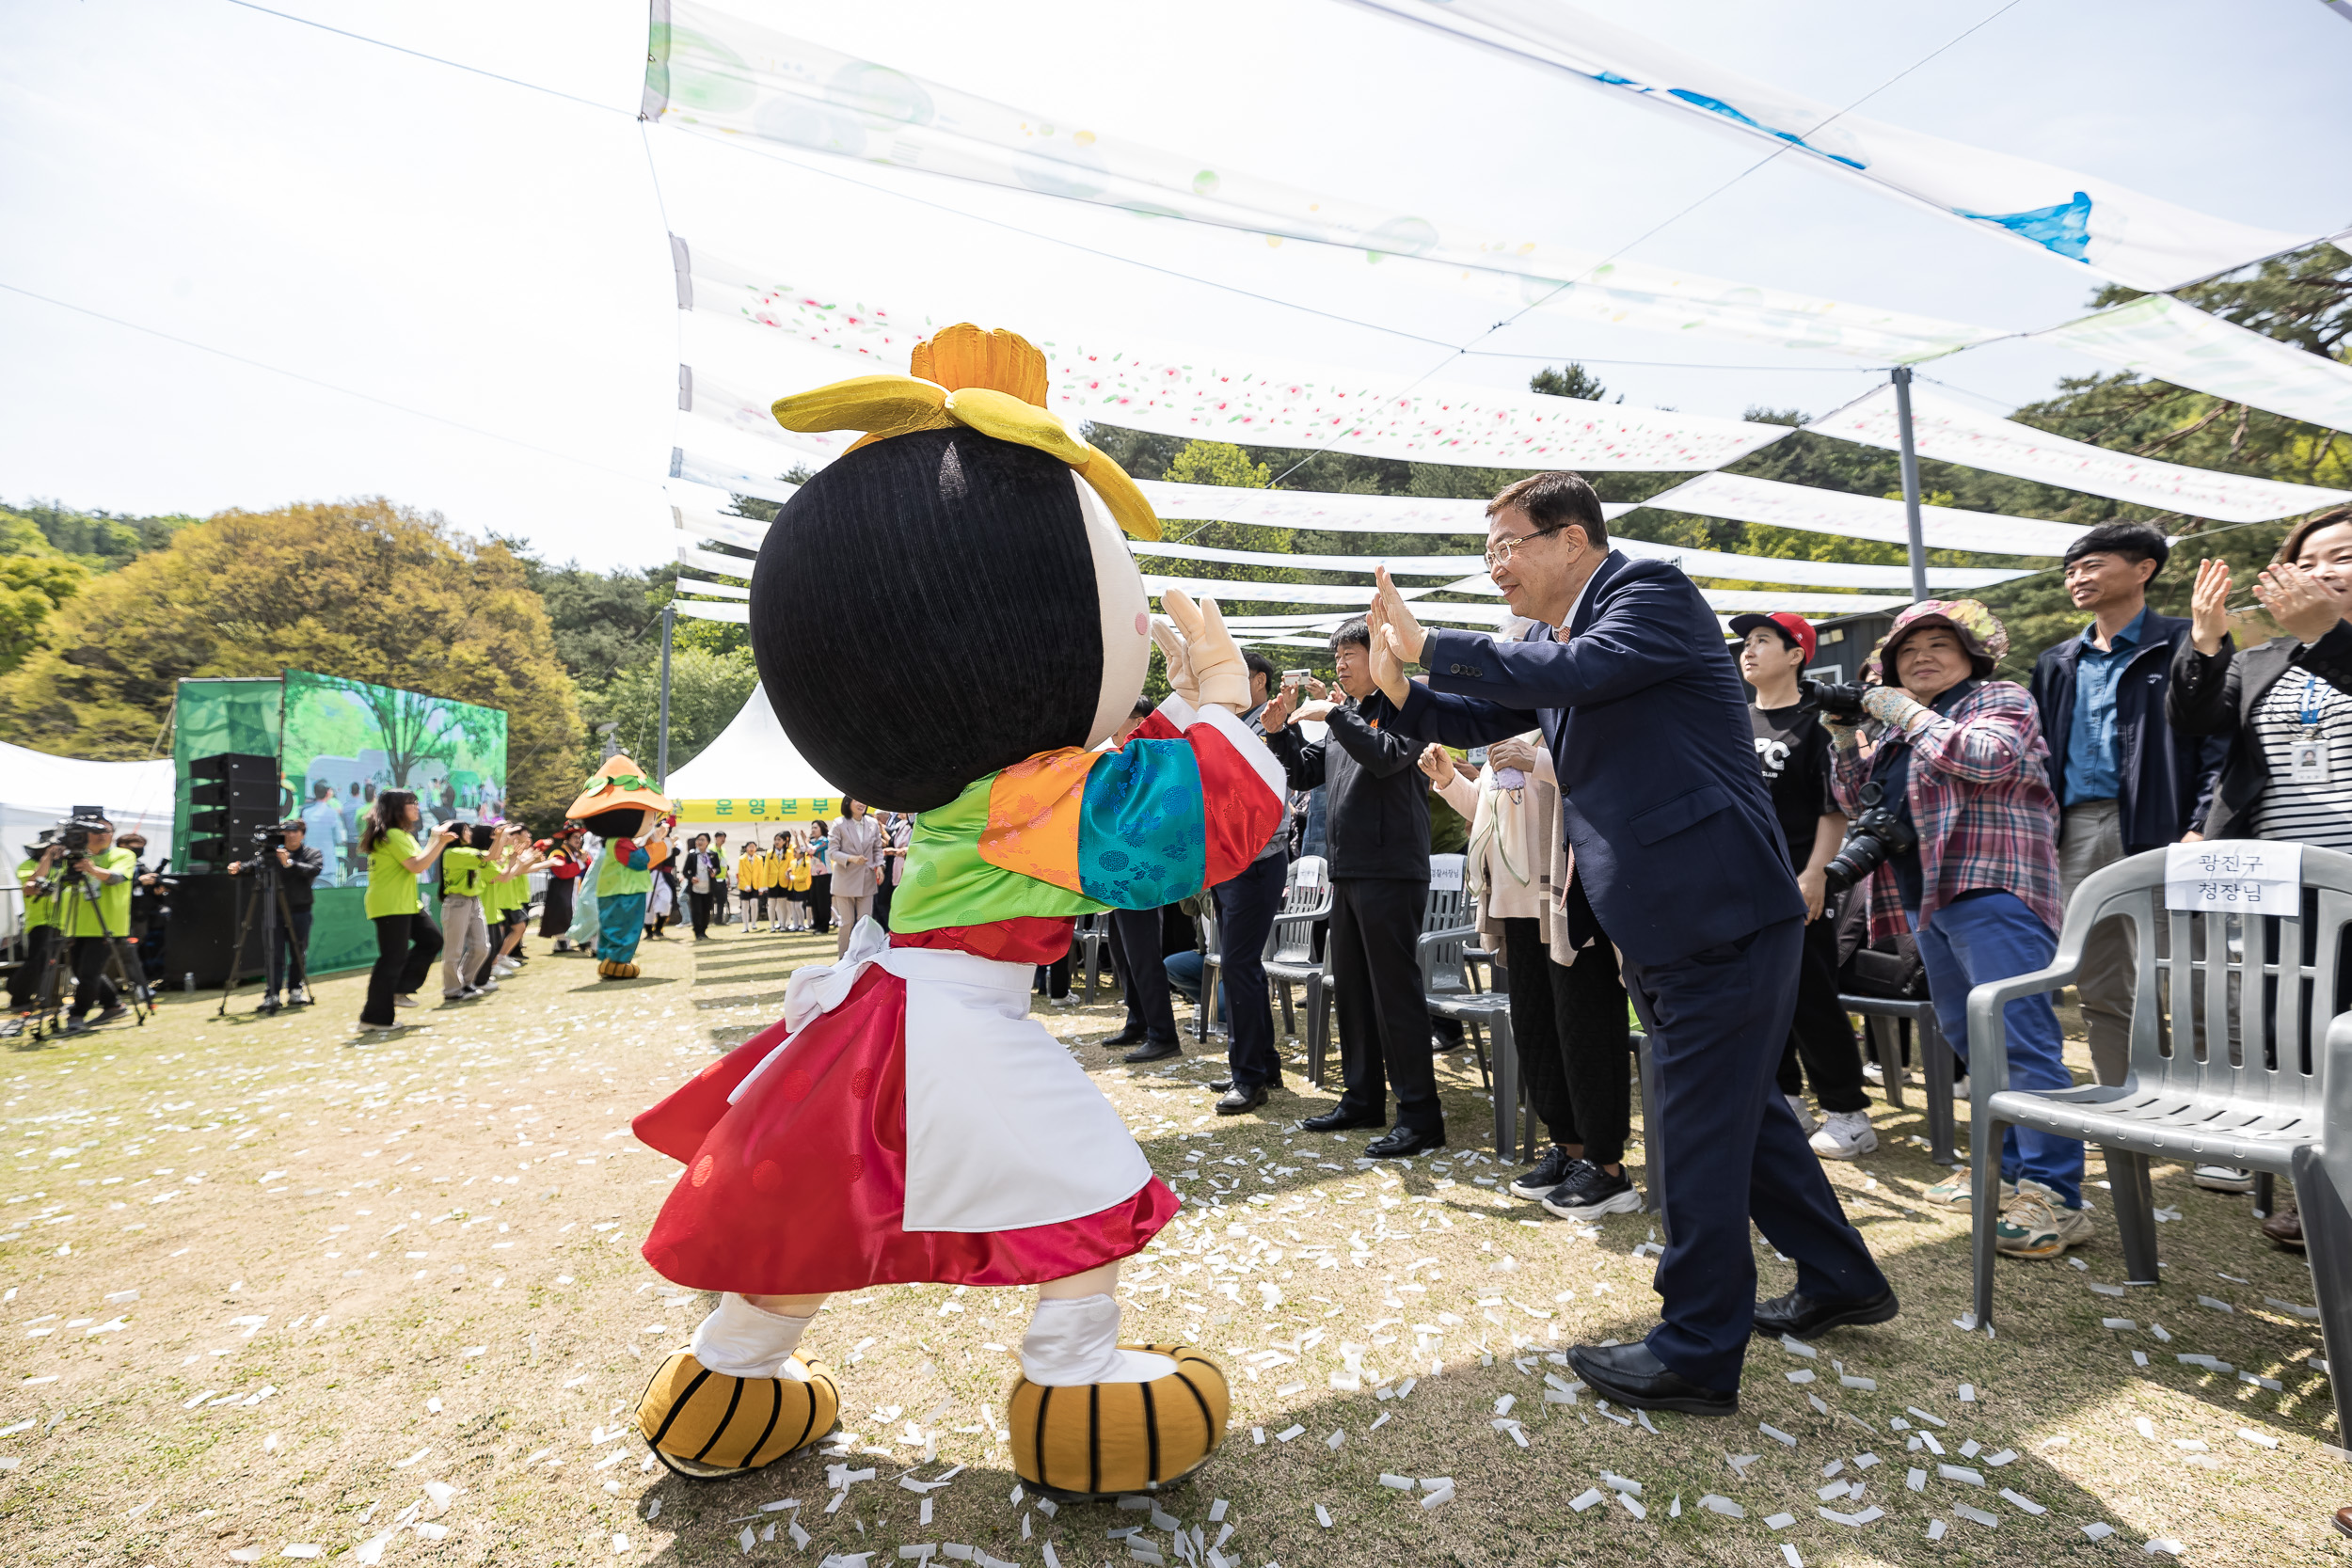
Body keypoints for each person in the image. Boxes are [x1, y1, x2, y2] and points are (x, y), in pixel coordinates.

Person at [1362, 469, 1890, 1415]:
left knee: (1691, 1124)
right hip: (1667, 911)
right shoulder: (1559, 640)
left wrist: (1436, 643)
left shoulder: (1648, 593)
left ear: (1571, 538)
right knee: (1746, 1117)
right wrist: (1400, 689)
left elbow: (1573, 676)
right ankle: (1841, 1275)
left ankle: (1694, 1346)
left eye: (1505, 544)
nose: (1495, 566)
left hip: (1714, 904)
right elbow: (1488, 713)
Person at [1824, 599, 2089, 1260]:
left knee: (2022, 1038)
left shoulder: (2000, 699)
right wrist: (1841, 733)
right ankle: (1999, 1171)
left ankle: (2055, 1194)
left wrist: (1900, 710)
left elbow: (1984, 758)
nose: (1921, 656)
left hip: (1995, 886)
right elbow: (1861, 801)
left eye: (1941, 643)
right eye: (1907, 650)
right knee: (1971, 1039)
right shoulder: (1899, 726)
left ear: (1973, 655)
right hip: (1929, 898)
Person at [2169, 508, 2352, 1251]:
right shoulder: (2264, 655)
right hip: (2285, 883)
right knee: (2301, 1041)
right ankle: (2326, 1190)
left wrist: (2328, 637)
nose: (2325, 569)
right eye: (2310, 559)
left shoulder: (2319, 645)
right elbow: (2193, 720)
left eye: (2343, 555)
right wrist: (2205, 641)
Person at [2028, 523, 2226, 1095]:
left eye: (2092, 565)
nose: (2078, 578)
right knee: (2100, 976)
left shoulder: (2192, 640)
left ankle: (2210, 1114)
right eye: (2071, 571)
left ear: (2144, 569)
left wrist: (2202, 824)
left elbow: (2218, 742)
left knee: (2193, 973)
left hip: (2168, 828)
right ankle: (2119, 1094)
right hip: (2076, 830)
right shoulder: (2057, 662)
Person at [1422, 726, 1639, 1214]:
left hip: (1568, 904)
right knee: (1540, 1035)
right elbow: (1488, 811)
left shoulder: (1574, 716)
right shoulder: (1513, 729)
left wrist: (1538, 761)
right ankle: (1569, 1149)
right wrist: (1450, 779)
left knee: (1586, 1031)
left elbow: (1608, 780)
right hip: (1514, 906)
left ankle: (1609, 1171)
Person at [1261, 619, 1440, 1158]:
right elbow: (1306, 771)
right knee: (1355, 992)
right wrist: (1280, 732)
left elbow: (1386, 757)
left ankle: (1420, 1115)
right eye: (1337, 654)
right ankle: (1362, 1097)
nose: (1340, 662)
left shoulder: (1411, 706)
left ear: (1383, 655)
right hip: (1349, 869)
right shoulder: (1354, 715)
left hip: (1391, 868)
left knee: (1395, 994)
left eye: (1350, 653)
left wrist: (1334, 714)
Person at [1732, 611, 1877, 1160]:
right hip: (1742, 883)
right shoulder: (1737, 719)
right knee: (1759, 998)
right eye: (1746, 643)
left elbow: (1834, 809)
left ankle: (1848, 1112)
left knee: (1810, 994)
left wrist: (1816, 873)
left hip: (1798, 877)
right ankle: (1788, 1098)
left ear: (1796, 655)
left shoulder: (1821, 722)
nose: (1750, 651)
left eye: (1763, 641)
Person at [1204, 653, 1293, 1115]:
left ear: (1257, 681)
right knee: (1242, 965)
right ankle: (1261, 1064)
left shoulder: (1265, 727)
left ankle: (1250, 1077)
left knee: (1239, 964)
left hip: (1257, 860)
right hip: (1229, 863)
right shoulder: (1229, 725)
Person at [1100, 698, 1187, 1062]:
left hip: (1142, 871)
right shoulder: (1119, 757)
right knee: (1122, 950)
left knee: (1143, 953)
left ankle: (1162, 1032)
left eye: (1119, 720)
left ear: (1138, 721)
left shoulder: (1155, 758)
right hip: (1116, 872)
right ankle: (1137, 1019)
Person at [358, 790, 453, 1030]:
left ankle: (400, 988)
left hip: (406, 903)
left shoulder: (401, 834)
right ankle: (374, 1018)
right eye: (412, 803)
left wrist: (435, 840)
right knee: (392, 958)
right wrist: (438, 841)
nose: (417, 807)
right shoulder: (392, 835)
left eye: (417, 802)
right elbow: (418, 865)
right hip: (390, 904)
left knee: (431, 940)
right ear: (397, 808)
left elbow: (418, 861)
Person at [226, 821, 324, 1012]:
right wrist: (237, 869)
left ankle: (295, 990)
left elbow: (314, 869)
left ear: (302, 834)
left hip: (300, 911)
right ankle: (272, 994)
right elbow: (253, 867)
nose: (290, 835)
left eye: (294, 831)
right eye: (286, 831)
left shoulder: (312, 853)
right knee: (273, 953)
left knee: (298, 952)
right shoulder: (270, 855)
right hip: (274, 911)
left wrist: (289, 863)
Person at [438, 822, 496, 1001]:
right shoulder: (454, 852)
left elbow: (494, 858)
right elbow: (492, 856)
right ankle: (452, 990)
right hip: (457, 901)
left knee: (482, 946)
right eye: (466, 830)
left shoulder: (468, 853)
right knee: (453, 951)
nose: (469, 833)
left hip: (473, 901)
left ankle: (466, 982)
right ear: (457, 835)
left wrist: (500, 839)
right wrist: (500, 838)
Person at [828, 801, 882, 955]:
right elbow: (832, 852)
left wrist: (880, 866)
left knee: (866, 922)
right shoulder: (839, 824)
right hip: (844, 881)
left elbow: (877, 849)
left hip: (867, 880)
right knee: (847, 923)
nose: (861, 803)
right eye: (856, 800)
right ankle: (843, 959)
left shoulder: (872, 823)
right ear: (847, 803)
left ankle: (864, 958)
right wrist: (851, 858)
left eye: (862, 800)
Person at [301, 781, 347, 889]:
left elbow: (303, 838)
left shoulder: (306, 813)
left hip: (310, 861)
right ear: (327, 793)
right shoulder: (333, 813)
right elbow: (339, 839)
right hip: (328, 863)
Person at [684, 833, 721, 941]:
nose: (699, 842)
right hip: (696, 889)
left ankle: (703, 931)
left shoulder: (712, 855)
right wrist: (691, 878)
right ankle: (698, 932)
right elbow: (685, 871)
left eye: (702, 840)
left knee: (706, 910)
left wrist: (715, 872)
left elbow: (717, 868)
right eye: (698, 840)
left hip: (708, 888)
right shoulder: (692, 855)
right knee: (697, 911)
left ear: (708, 842)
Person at [807, 822, 833, 936]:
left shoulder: (825, 841)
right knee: (815, 900)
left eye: (815, 828)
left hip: (825, 874)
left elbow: (812, 850)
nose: (813, 830)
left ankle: (824, 926)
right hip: (814, 874)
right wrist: (798, 838)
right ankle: (816, 924)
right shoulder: (812, 841)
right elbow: (803, 850)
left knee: (823, 901)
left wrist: (804, 840)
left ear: (822, 829)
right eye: (812, 828)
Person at [710, 831, 734, 926]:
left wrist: (727, 877)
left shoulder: (723, 849)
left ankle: (719, 920)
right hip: (713, 879)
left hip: (722, 878)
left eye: (724, 837)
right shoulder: (711, 848)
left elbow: (724, 865)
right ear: (715, 838)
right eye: (720, 837)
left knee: (722, 899)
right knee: (710, 900)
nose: (722, 839)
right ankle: (708, 919)